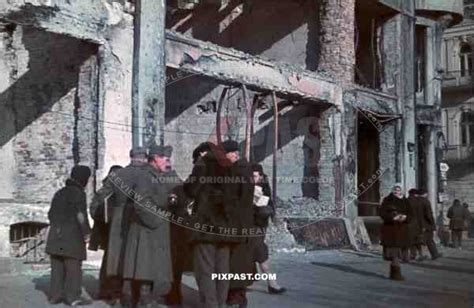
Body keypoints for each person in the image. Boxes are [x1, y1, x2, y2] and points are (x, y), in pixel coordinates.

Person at [184, 140, 252, 308]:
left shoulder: (204, 163)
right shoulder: (233, 167)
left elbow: (192, 189)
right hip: (226, 226)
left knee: (205, 269)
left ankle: (210, 304)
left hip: (206, 224)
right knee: (223, 269)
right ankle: (220, 304)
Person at [89, 146, 149, 307]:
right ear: (144, 158)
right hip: (143, 224)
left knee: (117, 260)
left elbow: (98, 201)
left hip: (118, 224)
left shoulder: (117, 175)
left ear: (131, 157)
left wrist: (103, 219)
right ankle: (142, 298)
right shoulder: (150, 175)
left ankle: (118, 297)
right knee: (140, 260)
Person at [122, 144, 177, 306]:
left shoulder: (156, 175)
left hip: (152, 229)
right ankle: (143, 301)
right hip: (147, 229)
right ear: (155, 159)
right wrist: (156, 220)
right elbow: (141, 203)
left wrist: (170, 197)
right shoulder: (145, 176)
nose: (166, 161)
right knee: (145, 267)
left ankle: (143, 299)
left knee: (149, 268)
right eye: (164, 158)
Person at [165, 142, 212, 305]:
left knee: (198, 265)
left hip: (192, 227)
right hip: (196, 226)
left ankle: (178, 295)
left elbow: (188, 191)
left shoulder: (199, 173)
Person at [45, 165, 92, 306]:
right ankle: (73, 297)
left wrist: (57, 227)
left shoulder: (59, 193)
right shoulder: (78, 193)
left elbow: (50, 214)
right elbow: (80, 215)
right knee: (73, 268)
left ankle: (55, 296)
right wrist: (86, 233)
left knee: (57, 266)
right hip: (72, 237)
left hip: (55, 235)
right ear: (83, 179)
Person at [88, 165, 123, 303]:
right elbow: (94, 209)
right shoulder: (108, 190)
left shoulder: (104, 189)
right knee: (115, 261)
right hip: (110, 231)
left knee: (109, 260)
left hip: (106, 230)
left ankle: (106, 290)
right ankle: (112, 292)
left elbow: (93, 209)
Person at [250, 164, 286, 294]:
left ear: (260, 176)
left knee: (259, 253)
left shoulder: (264, 188)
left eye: (254, 176)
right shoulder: (247, 187)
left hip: (259, 226)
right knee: (256, 254)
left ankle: (271, 283)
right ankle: (271, 283)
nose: (252, 178)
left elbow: (269, 206)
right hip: (250, 226)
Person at [379, 184, 412, 281]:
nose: (397, 191)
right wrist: (392, 217)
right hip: (391, 230)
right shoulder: (387, 200)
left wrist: (405, 217)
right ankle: (396, 274)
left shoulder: (406, 201)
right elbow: (382, 213)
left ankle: (394, 273)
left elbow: (411, 214)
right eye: (395, 189)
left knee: (400, 252)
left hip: (402, 230)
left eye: (399, 189)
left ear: (401, 190)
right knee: (394, 253)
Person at [417, 189, 442, 260]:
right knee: (427, 240)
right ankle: (429, 254)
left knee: (426, 240)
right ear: (425, 194)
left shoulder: (415, 201)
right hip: (426, 225)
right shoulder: (425, 201)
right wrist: (432, 223)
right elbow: (429, 214)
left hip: (417, 224)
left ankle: (434, 254)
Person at [406, 189, 425, 261]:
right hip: (416, 224)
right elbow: (420, 215)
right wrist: (422, 225)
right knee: (418, 240)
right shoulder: (418, 202)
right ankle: (420, 254)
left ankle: (412, 254)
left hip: (408, 224)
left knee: (411, 240)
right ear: (414, 194)